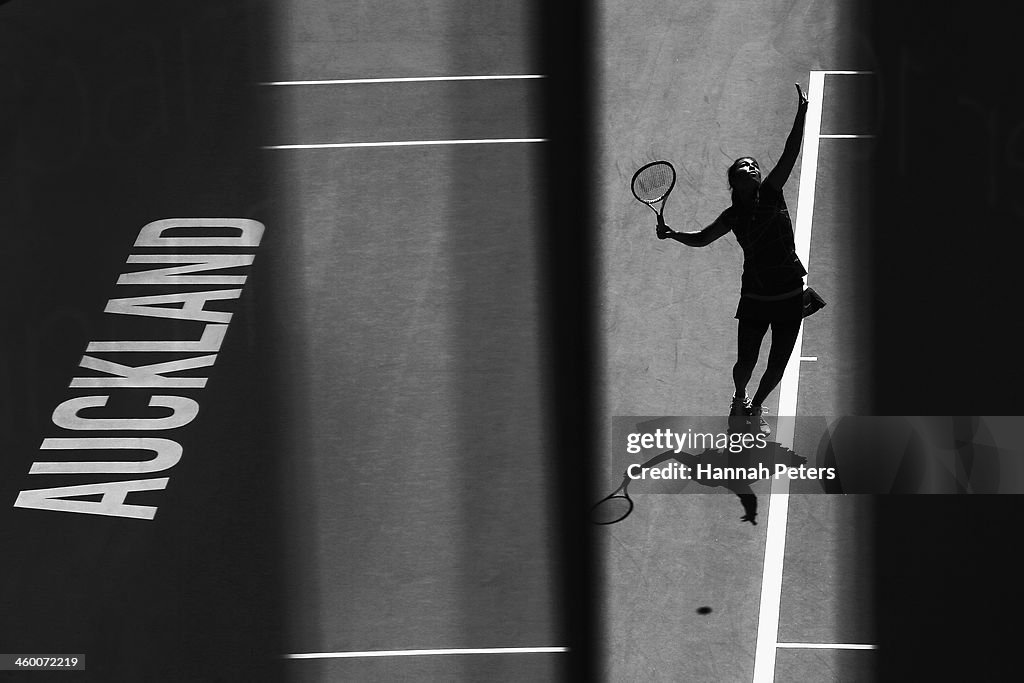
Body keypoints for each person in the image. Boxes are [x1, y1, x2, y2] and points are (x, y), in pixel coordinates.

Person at [656, 84, 809, 435]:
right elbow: (703, 238)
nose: (751, 167)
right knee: (746, 361)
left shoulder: (772, 194)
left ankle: (755, 407)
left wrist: (801, 114)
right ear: (734, 181)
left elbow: (790, 153)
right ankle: (739, 397)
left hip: (788, 293)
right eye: (743, 166)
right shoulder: (732, 216)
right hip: (755, 296)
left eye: (754, 165)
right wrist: (673, 233)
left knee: (777, 364)